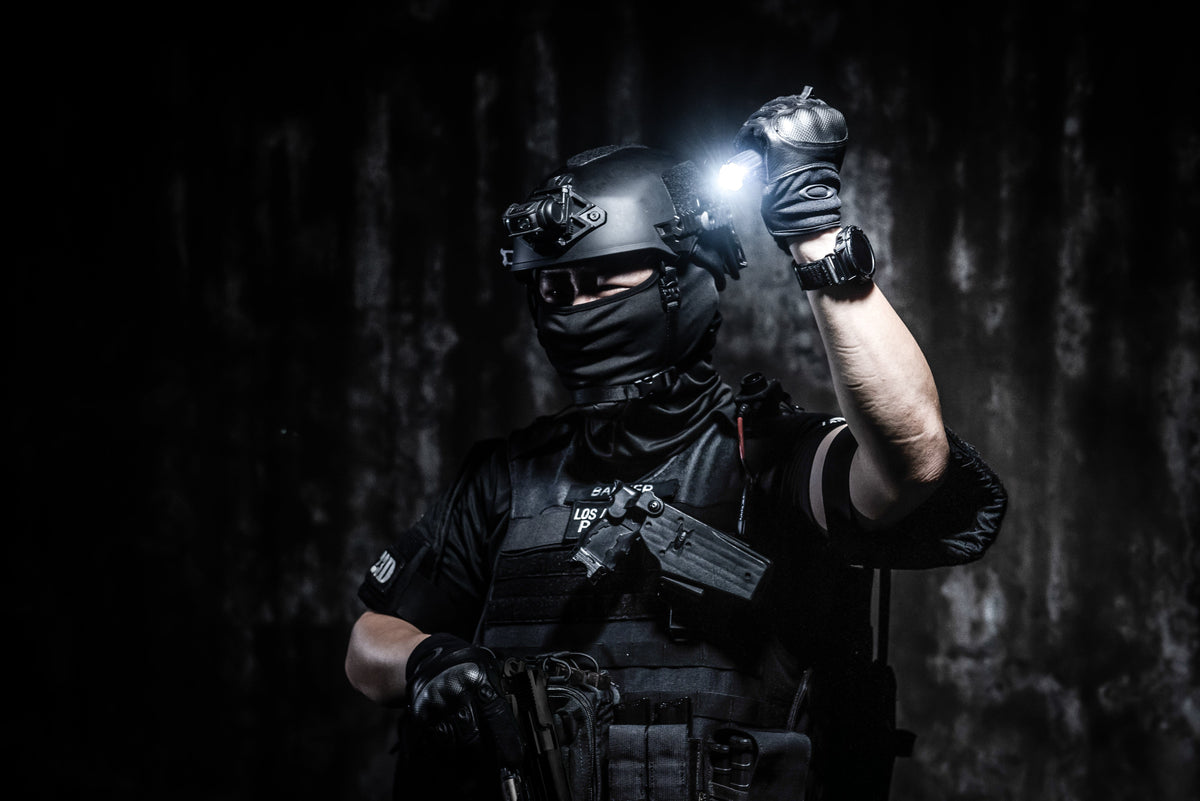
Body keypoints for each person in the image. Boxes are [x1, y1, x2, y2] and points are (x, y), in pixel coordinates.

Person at [345, 88, 1006, 800]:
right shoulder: (506, 476)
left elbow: (912, 462)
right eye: (554, 288)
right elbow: (370, 639)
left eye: (602, 278)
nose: (574, 306)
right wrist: (427, 660)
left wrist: (815, 236)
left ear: (680, 275)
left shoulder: (768, 455)